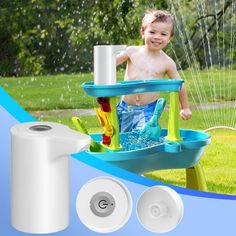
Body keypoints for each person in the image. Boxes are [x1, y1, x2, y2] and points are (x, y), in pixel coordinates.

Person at [116, 9, 192, 132]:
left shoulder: (167, 62)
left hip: (149, 109)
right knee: (123, 139)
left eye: (163, 34)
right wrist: (104, 60)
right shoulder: (131, 52)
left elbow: (179, 84)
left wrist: (185, 107)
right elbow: (111, 62)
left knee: (144, 136)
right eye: (152, 32)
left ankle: (150, 146)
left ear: (169, 38)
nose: (157, 37)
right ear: (142, 32)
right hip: (125, 108)